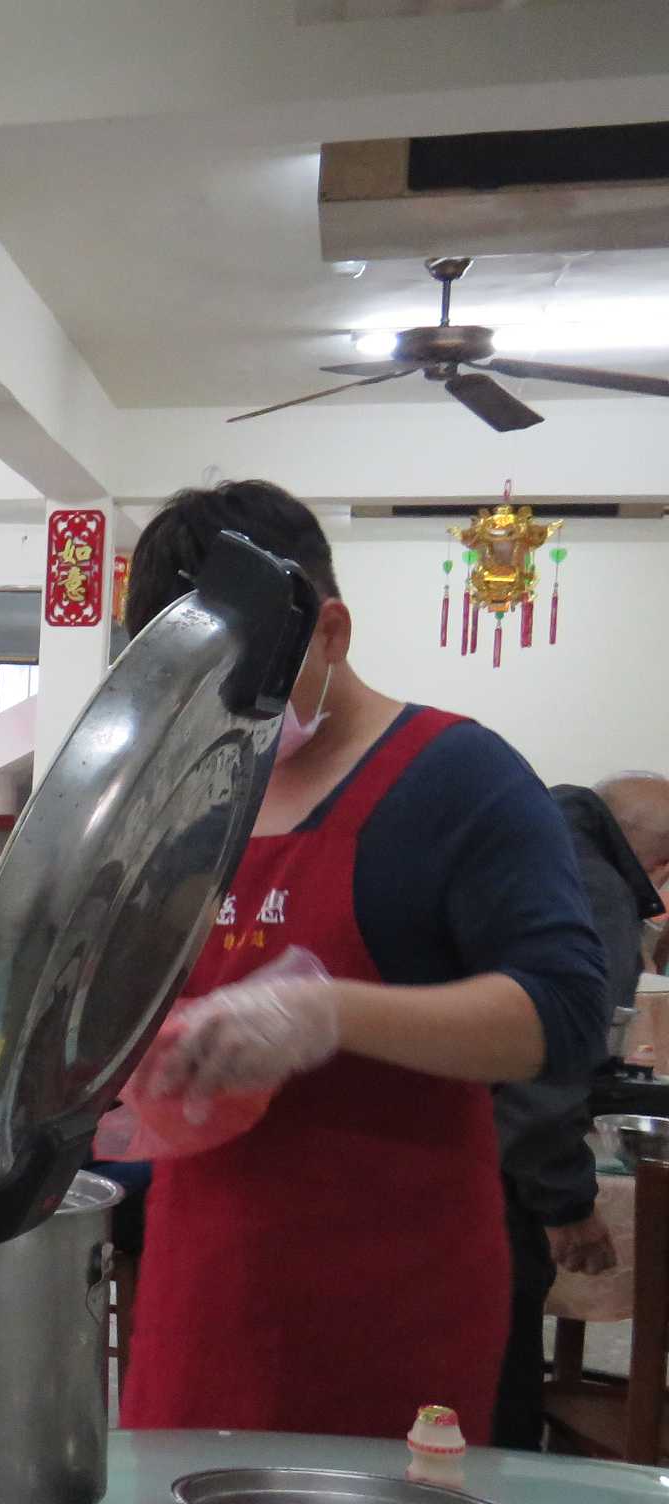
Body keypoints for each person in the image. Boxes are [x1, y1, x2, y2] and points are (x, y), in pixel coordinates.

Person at [114, 480, 607, 1443]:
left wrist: (331, 1015)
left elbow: (566, 1012)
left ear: (330, 632)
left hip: (391, 1300)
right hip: (201, 1283)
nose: (223, 713)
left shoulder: (458, 780)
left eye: (247, 680)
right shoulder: (194, 796)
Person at [492, 772, 669, 1447]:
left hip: (423, 1143)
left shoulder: (532, 844)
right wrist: (564, 1202)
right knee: (496, 1369)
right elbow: (553, 1065)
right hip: (496, 1160)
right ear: (659, 865)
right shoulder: (598, 891)